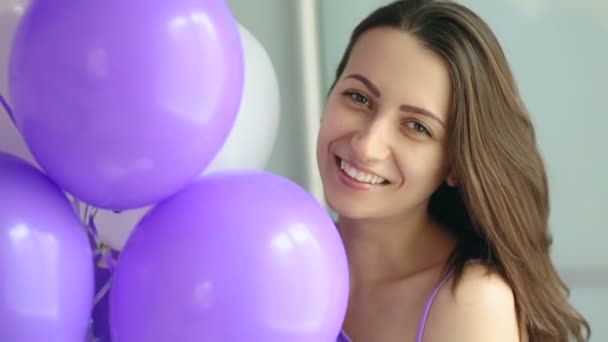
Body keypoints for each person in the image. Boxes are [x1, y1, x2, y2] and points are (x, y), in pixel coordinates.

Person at [315, 1, 591, 341]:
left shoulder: (472, 301)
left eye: (416, 126)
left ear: (455, 164)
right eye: (358, 97)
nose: (367, 146)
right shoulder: (287, 256)